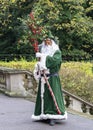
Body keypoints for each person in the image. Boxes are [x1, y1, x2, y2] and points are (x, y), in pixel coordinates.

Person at [31, 37, 67, 126]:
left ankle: (53, 116)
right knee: (43, 96)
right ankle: (43, 114)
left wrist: (42, 57)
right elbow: (41, 63)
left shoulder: (57, 52)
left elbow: (54, 61)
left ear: (52, 42)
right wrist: (39, 65)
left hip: (52, 78)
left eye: (49, 41)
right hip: (43, 77)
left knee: (52, 96)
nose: (47, 43)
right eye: (45, 41)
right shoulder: (43, 51)